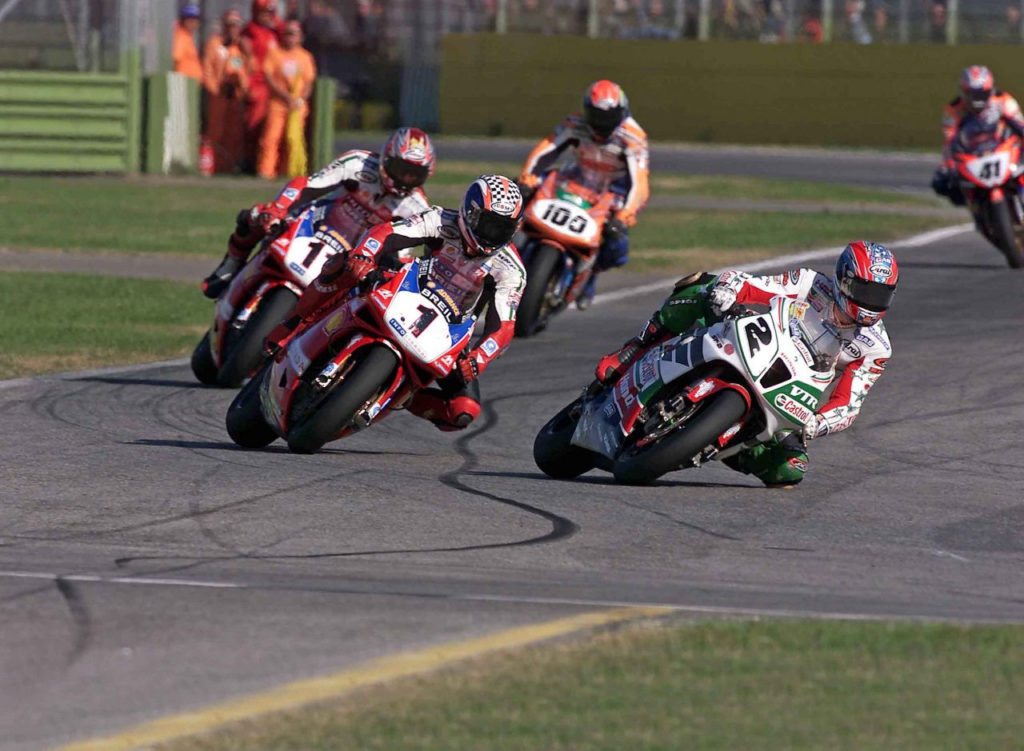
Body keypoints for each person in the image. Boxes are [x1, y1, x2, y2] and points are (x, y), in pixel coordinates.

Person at [594, 241, 899, 488]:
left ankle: (724, 445)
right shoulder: (810, 284)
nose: (871, 303)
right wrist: (728, 291)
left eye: (880, 296)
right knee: (702, 287)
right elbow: (753, 284)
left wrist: (817, 424)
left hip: (790, 392)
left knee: (791, 468)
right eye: (865, 292)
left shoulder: (876, 347)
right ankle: (636, 349)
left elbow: (849, 403)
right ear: (843, 280)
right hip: (759, 344)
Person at [264, 175, 528, 432]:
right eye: (488, 225)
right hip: (405, 286)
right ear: (470, 214)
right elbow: (387, 231)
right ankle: (294, 323)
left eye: (503, 229)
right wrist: (365, 254)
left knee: (462, 411)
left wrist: (479, 358)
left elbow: (503, 326)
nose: (493, 236)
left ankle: (400, 396)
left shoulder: (512, 270)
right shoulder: (439, 219)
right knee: (345, 265)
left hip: (447, 329)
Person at [202, 127, 437, 298]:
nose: (405, 179)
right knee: (256, 215)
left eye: (414, 174)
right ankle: (231, 264)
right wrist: (280, 207)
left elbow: (402, 255)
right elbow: (308, 184)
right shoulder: (358, 163)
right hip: (316, 225)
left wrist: (386, 271)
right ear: (387, 159)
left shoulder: (418, 208)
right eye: (401, 169)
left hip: (351, 261)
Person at [518, 79, 649, 310]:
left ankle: (591, 276)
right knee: (517, 196)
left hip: (612, 190)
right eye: (596, 116)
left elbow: (639, 182)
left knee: (616, 246)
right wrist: (527, 179)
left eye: (608, 117)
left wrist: (624, 215)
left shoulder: (633, 137)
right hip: (576, 177)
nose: (601, 123)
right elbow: (547, 149)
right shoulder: (575, 122)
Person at [932, 66, 1024, 204]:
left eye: (981, 94)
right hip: (974, 156)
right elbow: (949, 142)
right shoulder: (953, 111)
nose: (976, 100)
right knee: (945, 184)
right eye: (972, 94)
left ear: (990, 90)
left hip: (1004, 148)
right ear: (963, 92)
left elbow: (1020, 125)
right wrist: (947, 167)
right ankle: (978, 210)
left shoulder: (1003, 100)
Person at [256, 20, 317, 179]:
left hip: (297, 106)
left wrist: (300, 99)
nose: (290, 37)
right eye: (288, 33)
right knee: (271, 138)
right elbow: (269, 77)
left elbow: (309, 82)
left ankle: (290, 172)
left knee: (293, 139)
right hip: (278, 103)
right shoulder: (275, 54)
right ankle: (266, 171)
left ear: (300, 37)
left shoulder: (305, 57)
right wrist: (285, 96)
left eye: (294, 34)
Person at [202, 9, 249, 175]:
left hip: (234, 98)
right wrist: (215, 91)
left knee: (233, 134)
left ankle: (228, 167)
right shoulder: (214, 44)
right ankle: (210, 167)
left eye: (235, 26)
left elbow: (247, 71)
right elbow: (207, 70)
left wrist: (242, 90)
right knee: (215, 131)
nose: (232, 29)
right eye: (229, 25)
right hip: (218, 96)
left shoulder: (240, 49)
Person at [241, 0, 285, 173]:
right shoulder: (251, 31)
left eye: (270, 12)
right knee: (254, 125)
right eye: (264, 12)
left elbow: (285, 32)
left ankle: (273, 166)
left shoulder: (275, 32)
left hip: (275, 87)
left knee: (273, 130)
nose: (267, 15)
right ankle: (250, 163)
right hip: (258, 85)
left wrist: (276, 21)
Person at [172, 3, 203, 82]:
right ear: (183, 20)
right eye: (189, 20)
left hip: (190, 83)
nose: (193, 23)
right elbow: (175, 58)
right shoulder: (181, 36)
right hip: (183, 82)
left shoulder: (187, 37)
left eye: (195, 20)